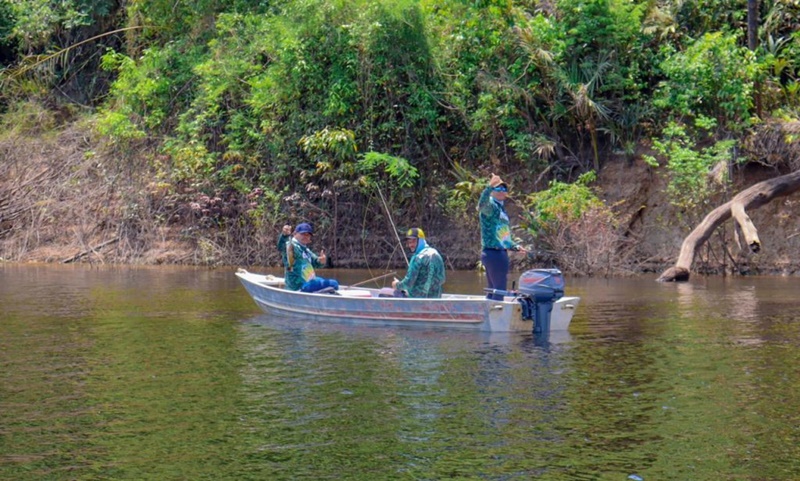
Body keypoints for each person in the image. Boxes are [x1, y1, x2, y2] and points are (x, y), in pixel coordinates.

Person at [478, 173, 527, 300]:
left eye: (504, 189)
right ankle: (497, 317)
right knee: (499, 290)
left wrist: (515, 247)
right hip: (493, 252)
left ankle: (489, 317)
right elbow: (481, 205)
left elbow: (503, 237)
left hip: (499, 253)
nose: (502, 191)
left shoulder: (501, 209)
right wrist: (489, 186)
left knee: (493, 290)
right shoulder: (491, 206)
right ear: (492, 192)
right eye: (498, 188)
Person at [282, 223, 339, 293]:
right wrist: (284, 235)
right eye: (303, 234)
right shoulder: (291, 246)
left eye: (308, 235)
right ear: (295, 233)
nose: (306, 237)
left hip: (309, 281)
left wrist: (320, 261)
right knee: (334, 283)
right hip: (298, 286)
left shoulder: (306, 250)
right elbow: (283, 246)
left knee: (330, 283)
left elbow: (315, 262)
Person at [391, 228, 446, 298]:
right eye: (409, 242)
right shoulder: (436, 253)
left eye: (414, 241)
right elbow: (442, 279)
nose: (411, 245)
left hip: (417, 301)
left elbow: (408, 283)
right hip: (435, 300)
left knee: (385, 292)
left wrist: (397, 285)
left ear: (421, 240)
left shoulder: (418, 258)